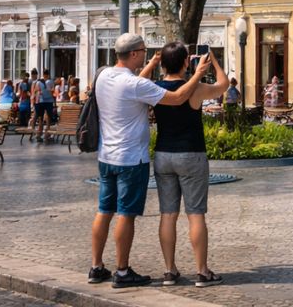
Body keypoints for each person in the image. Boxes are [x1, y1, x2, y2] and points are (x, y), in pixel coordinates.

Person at [88, 32, 210, 289]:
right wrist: (198, 75)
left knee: (104, 210)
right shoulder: (135, 85)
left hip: (106, 156)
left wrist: (153, 65)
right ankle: (122, 271)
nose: (146, 54)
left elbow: (133, 85)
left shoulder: (103, 76)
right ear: (134, 54)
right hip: (130, 159)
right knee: (125, 214)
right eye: (143, 50)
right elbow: (177, 98)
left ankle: (96, 266)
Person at [142, 41, 227, 288]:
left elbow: (137, 81)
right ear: (184, 63)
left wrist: (152, 63)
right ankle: (202, 271)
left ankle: (169, 271)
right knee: (195, 213)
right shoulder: (196, 89)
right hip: (191, 154)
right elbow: (223, 85)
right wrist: (213, 60)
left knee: (167, 214)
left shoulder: (154, 88)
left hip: (163, 155)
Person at [33, 69, 55, 142]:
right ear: (48, 74)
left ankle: (39, 133)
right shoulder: (50, 81)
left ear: (43, 74)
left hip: (40, 101)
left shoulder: (38, 82)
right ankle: (47, 133)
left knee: (40, 118)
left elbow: (36, 91)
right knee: (48, 117)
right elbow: (52, 91)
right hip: (49, 101)